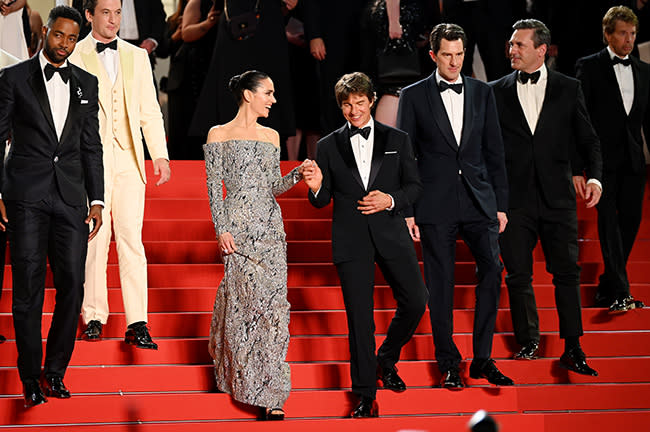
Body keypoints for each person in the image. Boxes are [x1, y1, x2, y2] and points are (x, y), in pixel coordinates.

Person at [397, 23, 513, 390]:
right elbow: (405, 157)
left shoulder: (482, 92)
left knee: (493, 271)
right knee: (440, 285)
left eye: (460, 54)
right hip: (434, 203)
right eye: (447, 54)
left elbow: (495, 152)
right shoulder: (414, 95)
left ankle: (482, 358)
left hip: (479, 200)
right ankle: (448, 363)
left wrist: (501, 204)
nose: (454, 61)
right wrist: (408, 210)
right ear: (433, 55)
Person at [305, 72, 427, 418]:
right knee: (360, 320)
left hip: (391, 232)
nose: (353, 110)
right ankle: (365, 394)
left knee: (416, 301)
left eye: (359, 102)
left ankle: (385, 359)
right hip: (351, 239)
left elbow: (415, 187)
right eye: (346, 104)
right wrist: (315, 185)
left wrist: (390, 199)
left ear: (372, 100)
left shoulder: (397, 139)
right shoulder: (328, 145)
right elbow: (322, 199)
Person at [0, 5, 104, 407]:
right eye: (59, 35)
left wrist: (96, 199)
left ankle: (54, 372)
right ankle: (29, 377)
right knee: (27, 292)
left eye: (72, 38)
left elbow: (91, 145)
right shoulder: (12, 79)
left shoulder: (86, 84)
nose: (64, 44)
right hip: (25, 196)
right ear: (46, 33)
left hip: (71, 199)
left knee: (73, 288)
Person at [490, 19, 602, 375]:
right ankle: (529, 343)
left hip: (557, 198)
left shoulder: (569, 88)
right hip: (513, 201)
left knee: (566, 274)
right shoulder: (495, 91)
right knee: (518, 275)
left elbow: (588, 139)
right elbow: (486, 149)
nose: (512, 50)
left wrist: (594, 177)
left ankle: (573, 347)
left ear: (542, 49)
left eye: (519, 45)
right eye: (510, 44)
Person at [205, 70, 312, 421]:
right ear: (248, 95)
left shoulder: (272, 136)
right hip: (237, 232)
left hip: (270, 232)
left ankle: (273, 393)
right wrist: (221, 230)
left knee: (274, 311)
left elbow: (272, 187)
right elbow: (214, 190)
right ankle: (242, 378)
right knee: (242, 311)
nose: (273, 99)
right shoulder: (218, 134)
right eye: (267, 92)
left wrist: (297, 175)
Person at [69, 0, 171, 349]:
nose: (113, 20)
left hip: (129, 159)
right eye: (105, 13)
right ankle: (94, 315)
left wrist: (159, 153)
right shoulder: (75, 53)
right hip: (88, 162)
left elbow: (149, 109)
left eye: (117, 13)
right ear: (89, 15)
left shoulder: (136, 56)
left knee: (131, 239)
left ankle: (137, 321)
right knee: (95, 239)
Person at [575, 6, 647, 313]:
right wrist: (580, 165)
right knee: (608, 224)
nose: (629, 40)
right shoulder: (588, 67)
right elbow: (579, 118)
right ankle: (621, 291)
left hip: (634, 160)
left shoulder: (644, 70)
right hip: (601, 162)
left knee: (631, 221)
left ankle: (609, 286)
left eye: (632, 34)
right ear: (607, 34)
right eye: (622, 33)